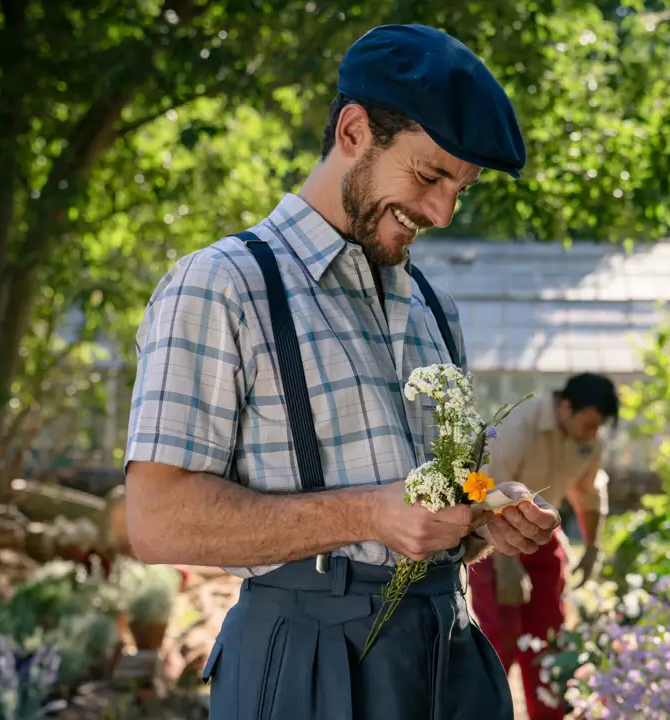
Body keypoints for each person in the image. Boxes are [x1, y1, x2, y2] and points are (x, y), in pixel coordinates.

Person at [122, 24, 561, 720]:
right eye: (428, 175)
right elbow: (155, 521)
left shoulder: (433, 308)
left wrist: (486, 508)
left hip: (452, 655)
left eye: (461, 188)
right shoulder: (221, 285)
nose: (442, 212)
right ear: (355, 130)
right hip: (308, 659)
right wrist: (369, 514)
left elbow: (436, 489)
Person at [468, 372, 619, 720]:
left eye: (599, 427)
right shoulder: (521, 422)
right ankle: (486, 711)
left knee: (547, 637)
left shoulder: (588, 440)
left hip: (542, 536)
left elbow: (589, 491)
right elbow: (489, 489)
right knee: (501, 634)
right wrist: (506, 563)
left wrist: (593, 546)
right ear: (565, 407)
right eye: (590, 423)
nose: (593, 434)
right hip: (493, 534)